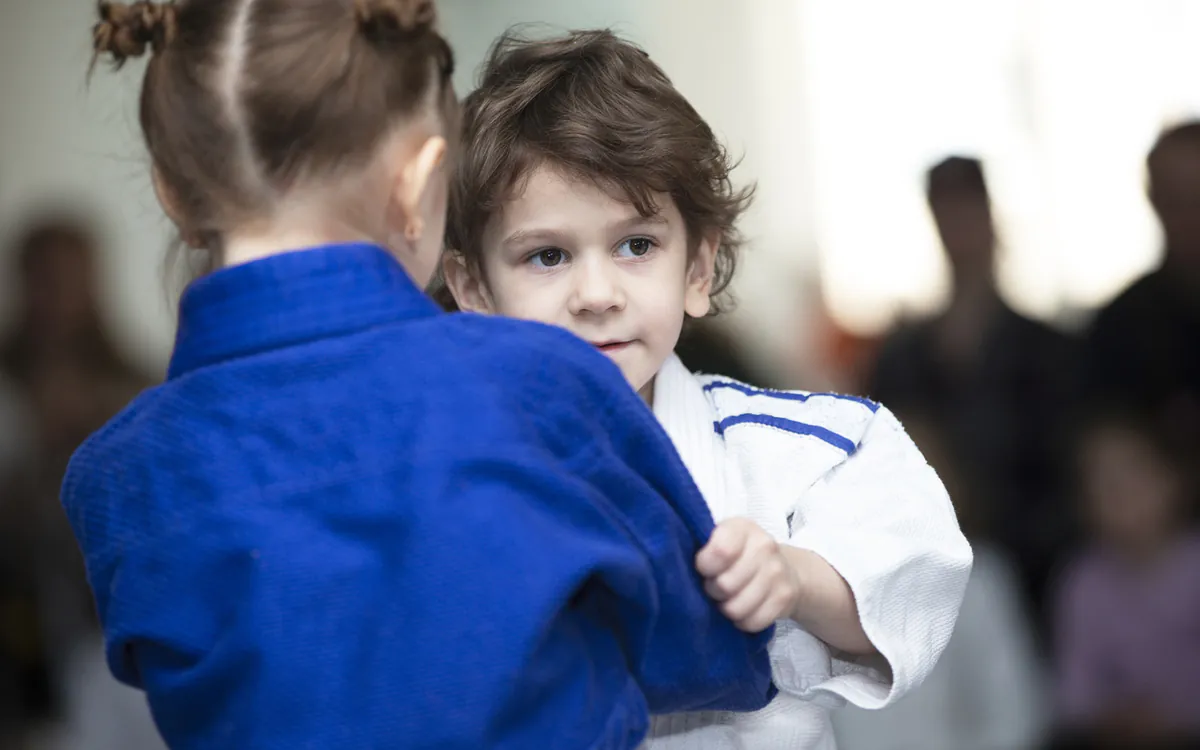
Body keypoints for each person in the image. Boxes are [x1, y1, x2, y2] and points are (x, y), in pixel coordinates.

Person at [67, 2, 776, 748]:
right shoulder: (544, 385)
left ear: (171, 191)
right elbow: (711, 657)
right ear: (419, 181)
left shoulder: (113, 481)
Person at [441, 29, 973, 750]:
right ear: (473, 286)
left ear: (698, 267)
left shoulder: (804, 450)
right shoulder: (453, 473)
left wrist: (792, 577)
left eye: (636, 245)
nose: (597, 294)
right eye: (547, 255)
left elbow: (910, 580)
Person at [867, 155, 1077, 634]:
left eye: (967, 211)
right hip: (932, 585)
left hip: (1036, 581)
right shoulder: (901, 359)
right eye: (949, 213)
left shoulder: (1049, 354)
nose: (959, 229)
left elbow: (1069, 484)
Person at [1052, 410, 1200, 749]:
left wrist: (1177, 717)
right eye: (1104, 483)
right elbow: (1074, 692)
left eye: (1135, 474)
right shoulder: (1082, 582)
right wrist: (1114, 715)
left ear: (1174, 478)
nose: (1122, 494)